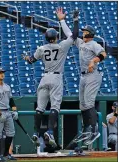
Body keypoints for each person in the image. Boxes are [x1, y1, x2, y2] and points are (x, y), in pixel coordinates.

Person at [56, 7, 107, 145]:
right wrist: (62, 21)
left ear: (89, 34)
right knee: (83, 105)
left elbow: (103, 54)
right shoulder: (81, 43)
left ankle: (94, 129)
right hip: (83, 76)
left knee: (89, 102)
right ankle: (87, 129)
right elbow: (69, 34)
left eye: (85, 31)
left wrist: (93, 60)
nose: (83, 33)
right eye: (83, 31)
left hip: (92, 75)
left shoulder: (94, 44)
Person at [22, 23, 77, 147]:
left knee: (40, 108)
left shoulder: (41, 48)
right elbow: (74, 35)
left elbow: (31, 60)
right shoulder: (62, 45)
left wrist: (26, 58)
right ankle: (50, 131)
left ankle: (36, 132)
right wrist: (75, 20)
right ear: (56, 37)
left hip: (44, 77)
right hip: (56, 77)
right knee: (55, 106)